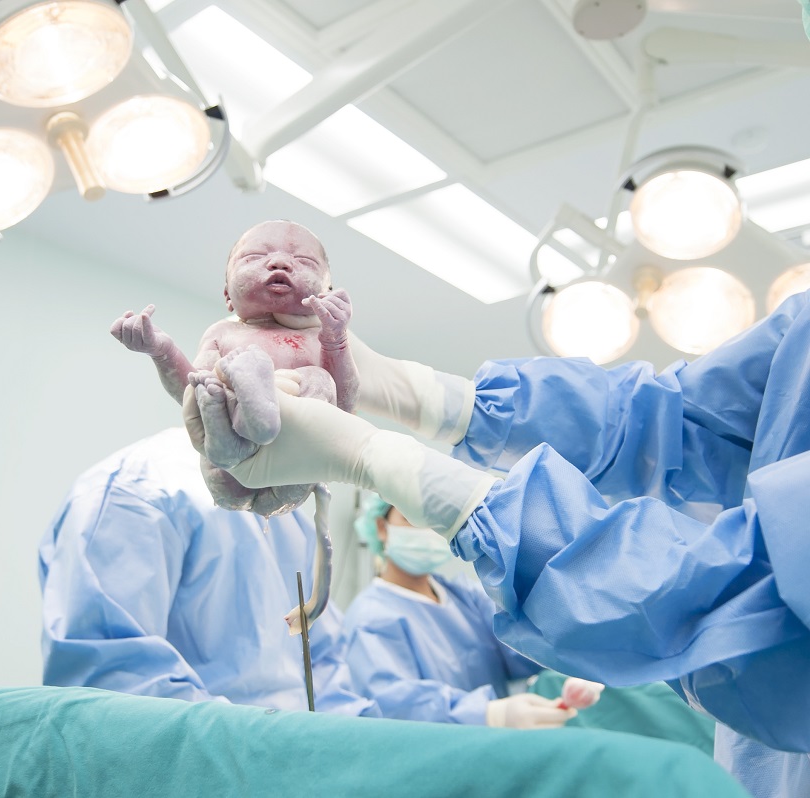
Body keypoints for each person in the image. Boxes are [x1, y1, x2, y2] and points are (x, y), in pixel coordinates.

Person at [185, 291, 810, 798]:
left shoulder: (454, 599)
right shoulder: (378, 615)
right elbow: (667, 417)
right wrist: (418, 393)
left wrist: (394, 464)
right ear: (378, 530)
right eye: (403, 517)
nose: (416, 529)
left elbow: (758, 602)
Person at [37, 427, 376, 716]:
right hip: (197, 764)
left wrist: (346, 743)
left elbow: (325, 661)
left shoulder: (285, 507)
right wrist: (263, 747)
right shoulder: (135, 492)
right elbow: (115, 691)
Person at [110, 219, 356, 518]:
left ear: (328, 292)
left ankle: (256, 412)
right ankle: (245, 415)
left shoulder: (320, 338)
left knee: (318, 379)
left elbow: (344, 404)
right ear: (228, 295)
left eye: (303, 261)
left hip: (290, 464)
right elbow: (190, 391)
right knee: (208, 385)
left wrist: (336, 339)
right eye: (255, 257)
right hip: (227, 466)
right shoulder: (223, 333)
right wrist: (163, 351)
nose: (279, 263)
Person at [344, 493, 600, 729]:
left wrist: (573, 660)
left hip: (490, 748)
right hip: (439, 756)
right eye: (411, 517)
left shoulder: (465, 597)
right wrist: (488, 714)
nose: (426, 529)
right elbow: (394, 707)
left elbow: (522, 645)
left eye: (433, 519)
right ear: (381, 527)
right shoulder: (371, 618)